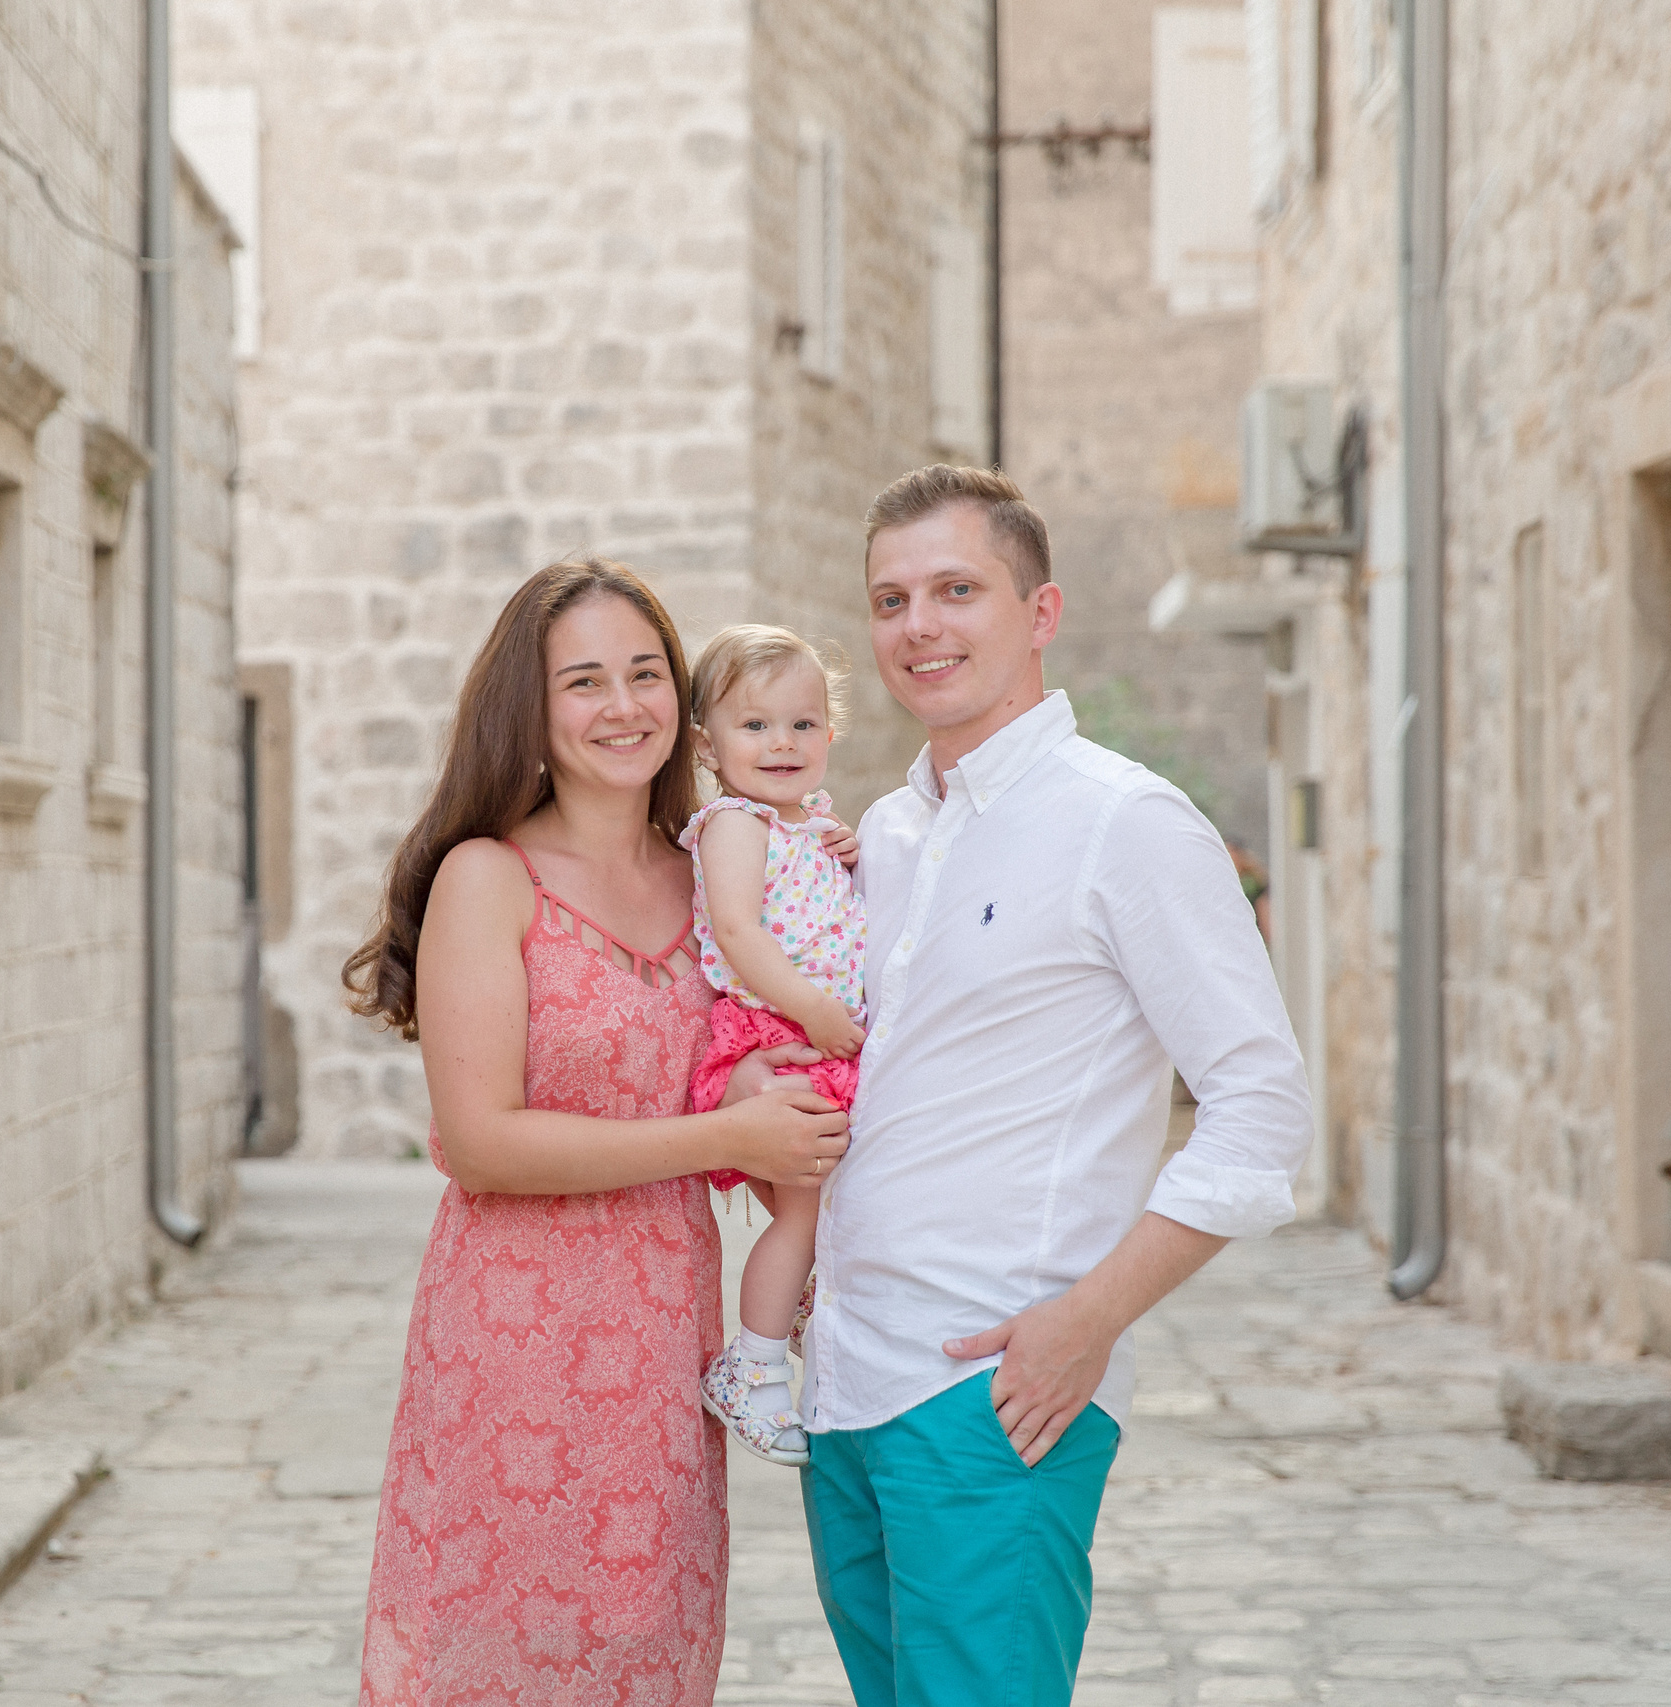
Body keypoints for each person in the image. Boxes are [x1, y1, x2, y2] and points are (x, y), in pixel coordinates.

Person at [729, 466, 1313, 1706]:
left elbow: (1259, 1109)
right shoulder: (876, 837)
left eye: (956, 590)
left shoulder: (1128, 825)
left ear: (1038, 613)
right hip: (847, 1385)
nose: (919, 626)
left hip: (994, 1394)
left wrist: (1089, 1320)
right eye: (890, 600)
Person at [345, 557, 852, 1707]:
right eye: (584, 682)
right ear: (530, 708)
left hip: (667, 1332)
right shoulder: (492, 877)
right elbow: (481, 1142)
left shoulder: (721, 878)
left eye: (644, 674)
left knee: (644, 1643)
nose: (622, 707)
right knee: (495, 1650)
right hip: (512, 1337)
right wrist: (715, 1138)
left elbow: (780, 1054)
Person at [678, 625, 868, 1468]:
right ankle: (749, 1367)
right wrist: (812, 1009)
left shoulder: (813, 826)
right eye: (754, 726)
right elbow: (736, 929)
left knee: (832, 1201)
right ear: (707, 746)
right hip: (777, 1032)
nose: (781, 743)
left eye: (802, 723)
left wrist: (851, 856)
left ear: (830, 732)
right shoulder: (733, 823)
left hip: (816, 1034)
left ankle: (794, 1307)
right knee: (797, 1211)